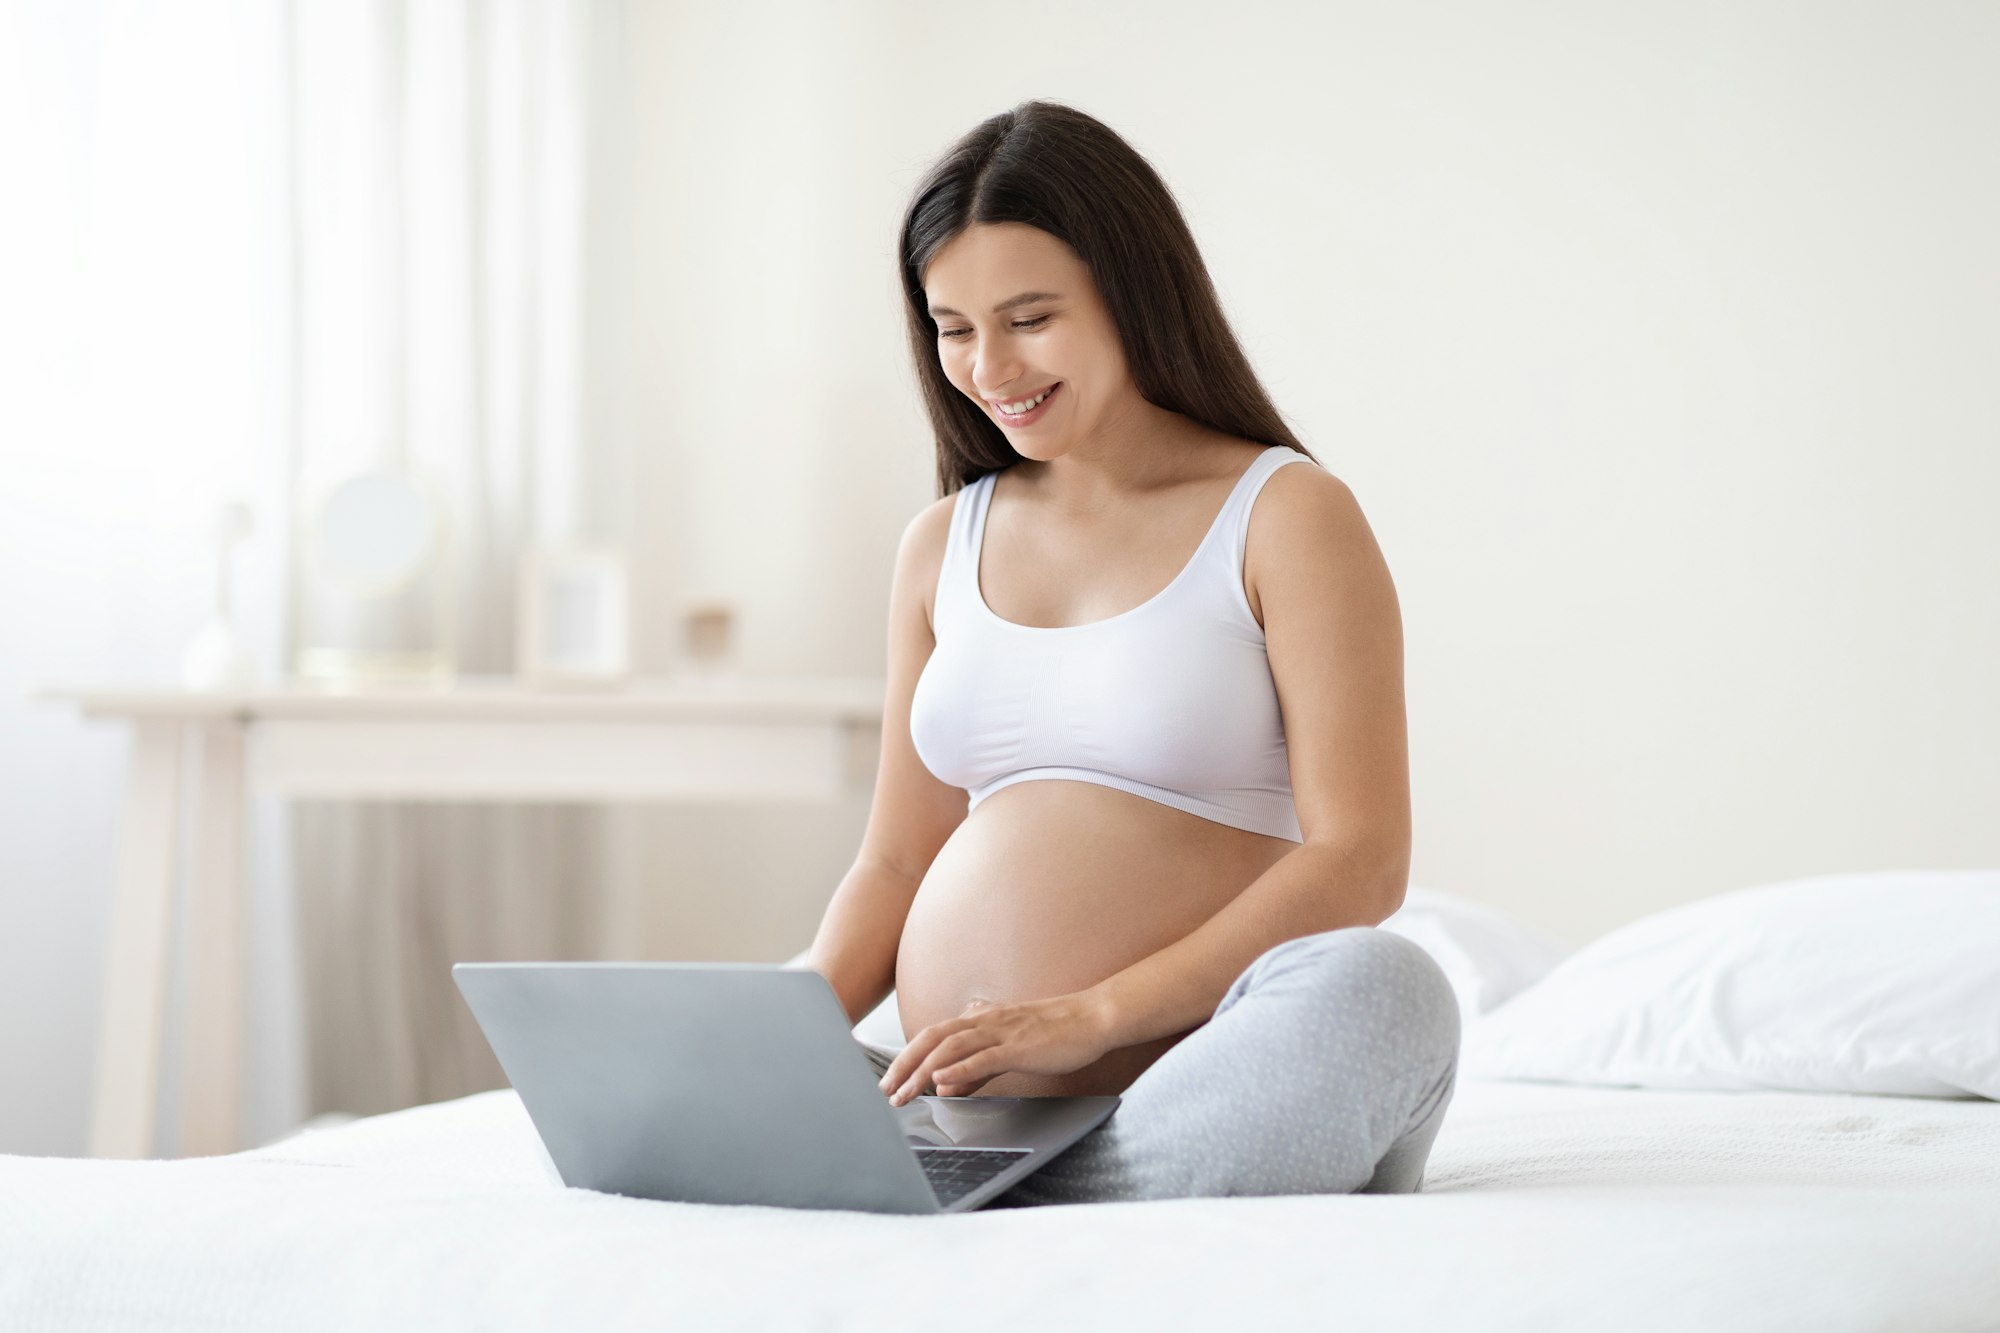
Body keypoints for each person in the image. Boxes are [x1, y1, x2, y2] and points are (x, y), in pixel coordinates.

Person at [804, 99, 1460, 1206]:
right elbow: (896, 864)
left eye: (1028, 317)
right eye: (951, 327)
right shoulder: (939, 543)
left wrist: (1089, 1016)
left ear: (1131, 291)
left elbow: (1360, 859)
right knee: (639, 1074)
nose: (987, 365)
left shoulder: (1284, 514)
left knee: (1384, 992)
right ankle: (965, 1165)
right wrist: (769, 1043)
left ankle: (1083, 1180)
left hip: (1186, 1079)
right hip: (969, 1107)